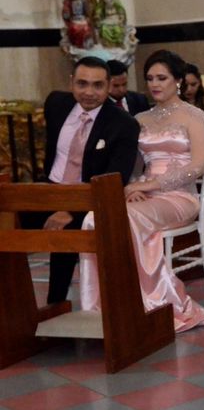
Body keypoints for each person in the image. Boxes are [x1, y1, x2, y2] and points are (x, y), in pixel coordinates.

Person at [78, 49, 204, 332]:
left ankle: (153, 303)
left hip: (180, 196)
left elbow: (200, 165)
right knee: (93, 219)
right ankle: (101, 305)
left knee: (129, 218)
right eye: (150, 79)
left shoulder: (193, 115)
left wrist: (152, 185)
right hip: (144, 196)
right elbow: (132, 164)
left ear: (178, 80)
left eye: (162, 78)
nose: (155, 84)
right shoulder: (140, 118)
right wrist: (132, 188)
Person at [26, 57, 139, 304]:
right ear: (71, 83)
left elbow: (114, 179)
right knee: (8, 219)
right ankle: (17, 310)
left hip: (91, 198)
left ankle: (55, 304)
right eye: (82, 84)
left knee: (66, 230)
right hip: (50, 190)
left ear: (109, 86)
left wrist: (70, 209)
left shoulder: (124, 124)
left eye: (98, 85)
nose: (89, 92)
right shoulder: (56, 104)